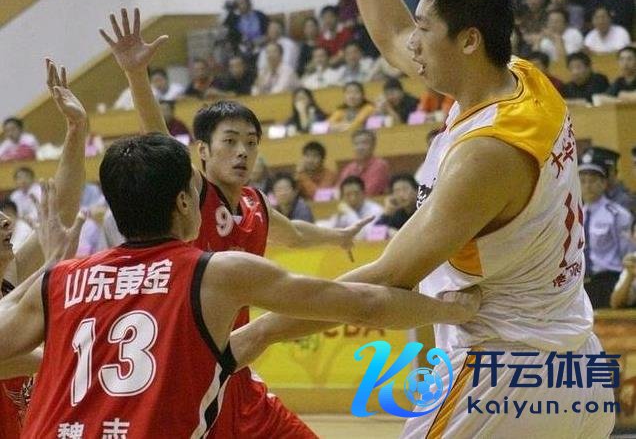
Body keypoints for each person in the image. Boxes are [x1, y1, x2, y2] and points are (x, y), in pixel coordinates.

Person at [233, 0, 615, 439]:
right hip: (576, 367)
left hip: (505, 377)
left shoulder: (488, 154)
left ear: (468, 41)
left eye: (425, 29)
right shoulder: (521, 79)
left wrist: (262, 330)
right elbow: (390, 34)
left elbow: (387, 279)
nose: (412, 42)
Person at [3, 132, 476, 439]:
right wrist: (452, 310)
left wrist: (50, 280)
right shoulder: (217, 272)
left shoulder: (58, 279)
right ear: (185, 202)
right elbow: (365, 305)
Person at [100, 8, 402, 439]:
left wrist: (338, 236)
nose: (243, 152)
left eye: (251, 143)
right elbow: (158, 136)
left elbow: (293, 233)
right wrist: (136, 74)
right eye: (230, 141)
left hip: (237, 369)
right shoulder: (195, 192)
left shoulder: (255, 202)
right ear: (203, 151)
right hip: (191, 370)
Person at [0, 59, 87, 438]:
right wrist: (60, 355)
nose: (6, 222)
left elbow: (63, 208)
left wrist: (76, 130)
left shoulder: (11, 272)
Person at [580, 158, 635, 308]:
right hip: (582, 285)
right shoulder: (576, 216)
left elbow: (627, 254)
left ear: (604, 183)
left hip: (609, 281)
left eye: (592, 181)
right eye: (583, 181)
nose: (587, 186)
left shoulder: (617, 215)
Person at [581, 146, 636, 217]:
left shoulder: (625, 201)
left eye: (594, 175)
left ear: (612, 172)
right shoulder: (591, 198)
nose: (588, 181)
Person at [337, 129, 391, 196]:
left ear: (373, 146)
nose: (360, 147)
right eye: (356, 144)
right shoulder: (349, 168)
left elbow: (371, 192)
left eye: (364, 143)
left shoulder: (380, 165)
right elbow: (339, 190)